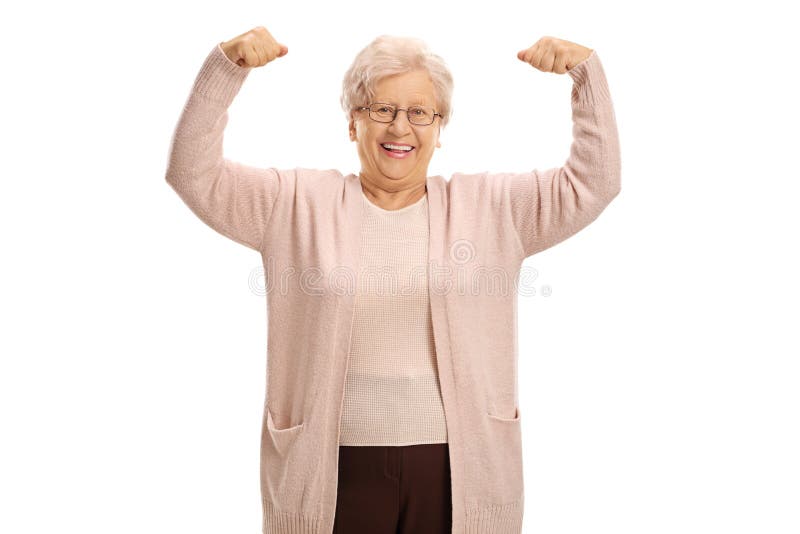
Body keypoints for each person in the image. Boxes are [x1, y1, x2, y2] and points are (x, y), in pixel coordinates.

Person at [165, 25, 620, 534]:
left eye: (419, 112)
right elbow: (192, 173)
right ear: (353, 123)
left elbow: (594, 183)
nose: (400, 127)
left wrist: (586, 75)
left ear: (440, 126)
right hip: (332, 475)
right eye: (380, 109)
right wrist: (226, 69)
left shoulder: (494, 208)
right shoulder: (293, 203)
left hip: (456, 474)